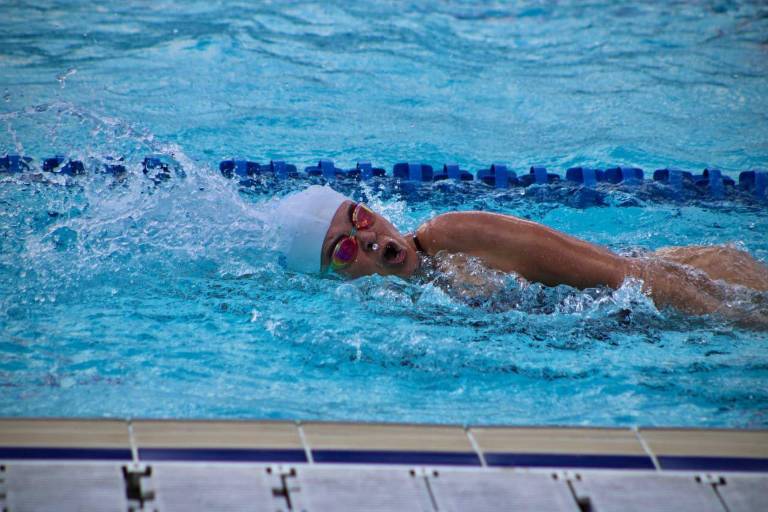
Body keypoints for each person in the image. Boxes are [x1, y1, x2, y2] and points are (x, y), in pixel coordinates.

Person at [274, 185, 768, 325]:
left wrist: (736, 317)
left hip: (711, 281)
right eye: (342, 248)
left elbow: (628, 276)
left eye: (359, 219)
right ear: (336, 279)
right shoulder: (404, 303)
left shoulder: (453, 235)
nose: (366, 239)